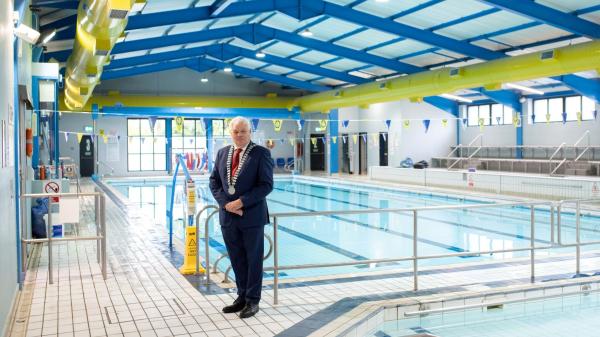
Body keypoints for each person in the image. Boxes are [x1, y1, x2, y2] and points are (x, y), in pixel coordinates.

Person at [209, 117, 274, 318]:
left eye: (243, 131)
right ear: (230, 132)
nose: (239, 135)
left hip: (251, 216)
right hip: (228, 217)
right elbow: (214, 182)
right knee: (236, 259)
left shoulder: (261, 153)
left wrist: (241, 202)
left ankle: (253, 301)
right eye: (236, 131)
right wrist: (226, 204)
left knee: (253, 260)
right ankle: (242, 296)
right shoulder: (222, 153)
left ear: (250, 132)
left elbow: (266, 185)